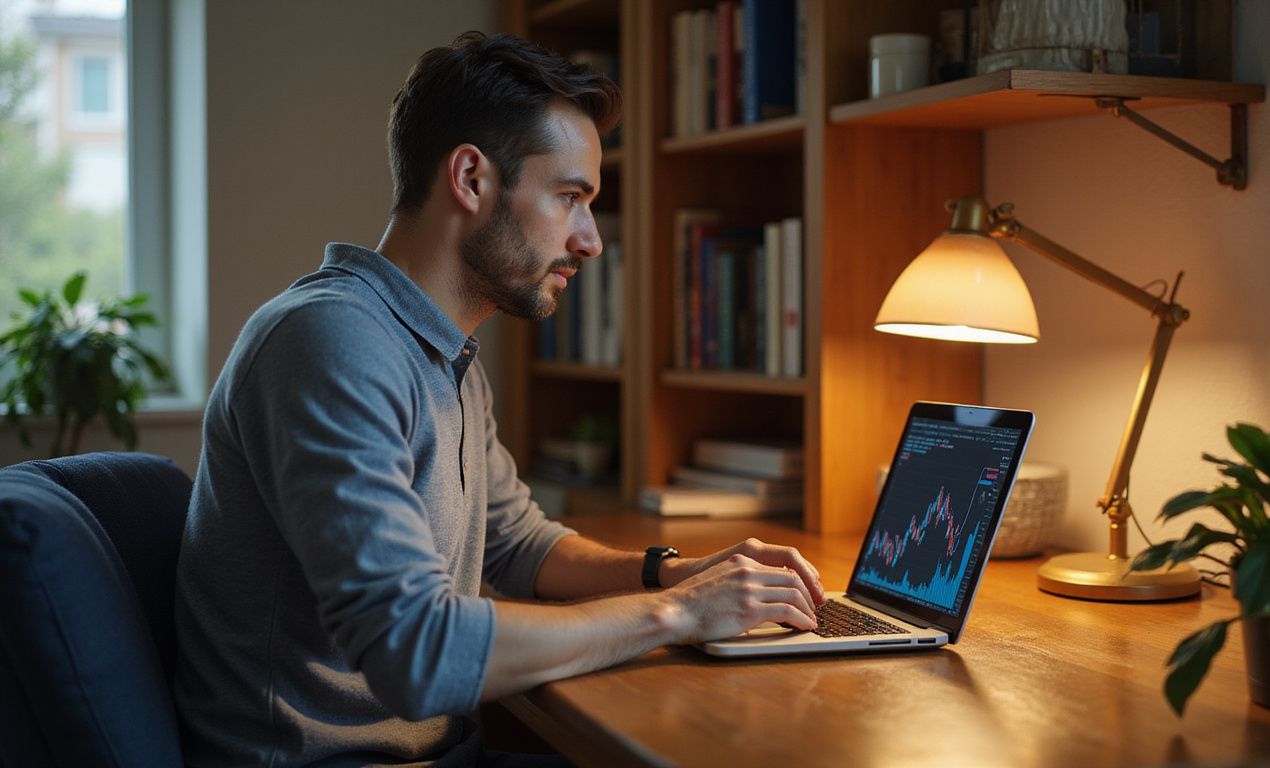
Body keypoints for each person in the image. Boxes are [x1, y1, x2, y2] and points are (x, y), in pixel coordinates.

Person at [173, 31, 825, 768]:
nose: (591, 241)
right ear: (473, 180)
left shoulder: (441, 349)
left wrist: (671, 571)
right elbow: (416, 654)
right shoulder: (331, 343)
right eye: (570, 198)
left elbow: (519, 545)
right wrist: (677, 614)